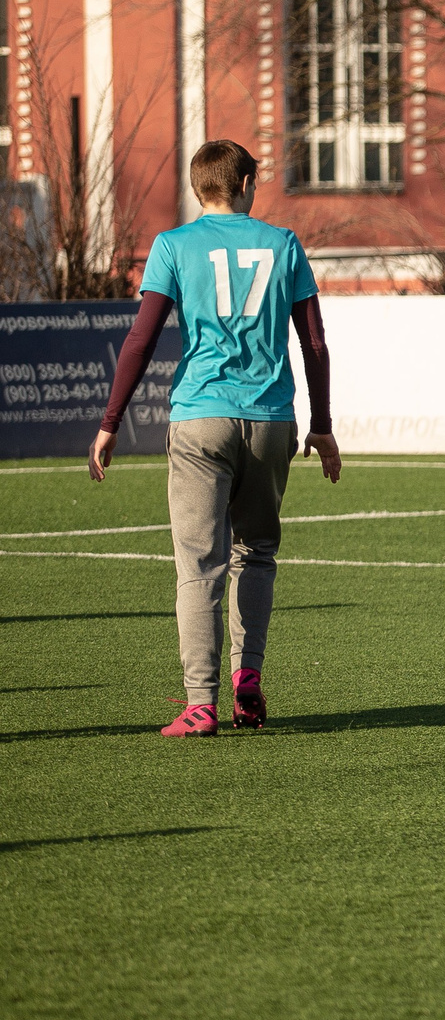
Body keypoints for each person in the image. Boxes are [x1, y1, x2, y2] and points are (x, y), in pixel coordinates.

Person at [89, 139, 342, 736]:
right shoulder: (283, 243)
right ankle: (247, 680)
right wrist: (323, 425)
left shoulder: (172, 245)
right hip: (271, 420)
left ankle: (200, 703)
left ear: (197, 188)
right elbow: (313, 343)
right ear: (247, 184)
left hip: (201, 418)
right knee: (256, 553)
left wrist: (110, 422)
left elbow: (141, 340)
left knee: (199, 564)